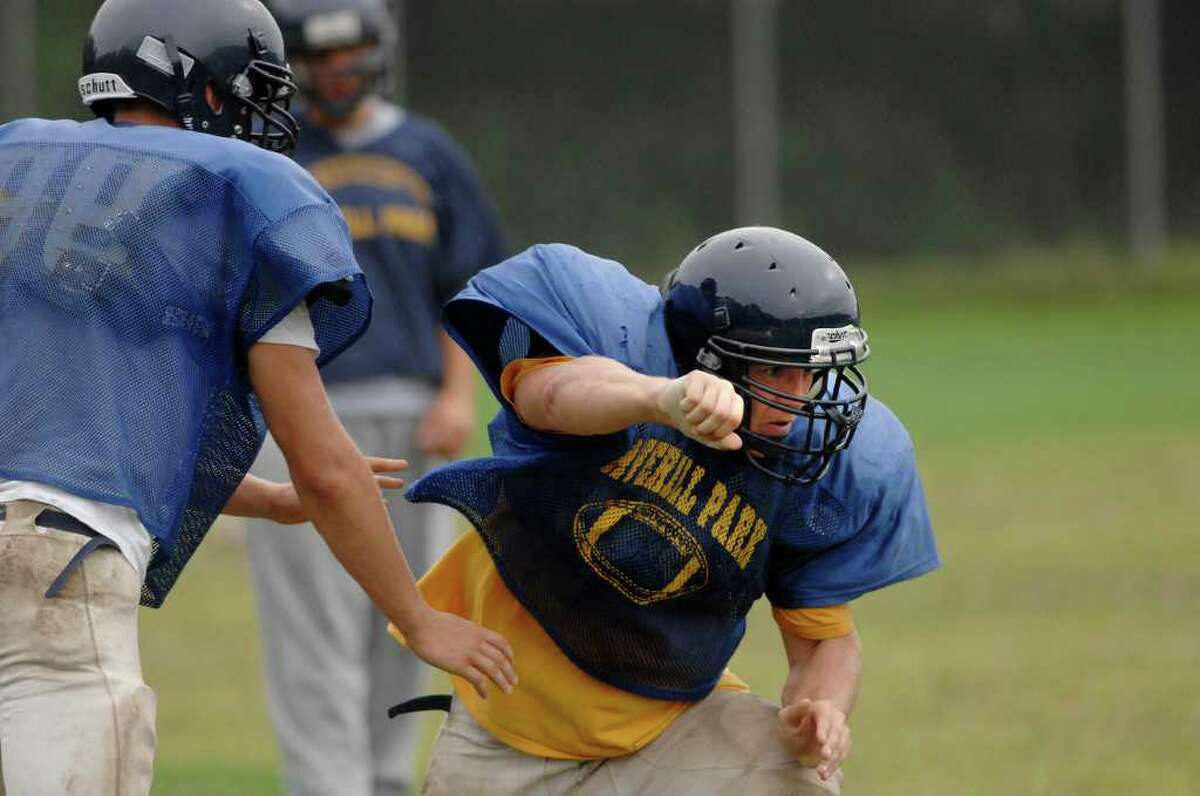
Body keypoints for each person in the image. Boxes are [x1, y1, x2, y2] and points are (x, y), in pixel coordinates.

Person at [0, 1, 513, 793]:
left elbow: (72, 442)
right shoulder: (241, 190)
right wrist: (416, 619)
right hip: (59, 568)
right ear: (204, 89)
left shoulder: (17, 161)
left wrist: (267, 501)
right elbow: (326, 466)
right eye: (249, 90)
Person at [391, 227, 939, 795]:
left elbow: (824, 639)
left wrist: (820, 710)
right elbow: (550, 395)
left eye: (811, 373)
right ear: (710, 358)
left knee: (796, 780)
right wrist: (658, 399)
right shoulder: (622, 351)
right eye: (776, 371)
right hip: (508, 730)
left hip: (672, 724)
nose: (799, 398)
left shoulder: (818, 465)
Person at [246, 1, 505, 793]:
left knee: (411, 610)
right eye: (317, 58)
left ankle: (390, 780)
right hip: (301, 415)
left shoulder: (428, 152)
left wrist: (456, 396)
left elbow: (465, 291)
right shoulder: (271, 153)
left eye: (349, 52)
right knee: (313, 623)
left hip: (414, 414)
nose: (335, 71)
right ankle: (327, 784)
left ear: (377, 52)